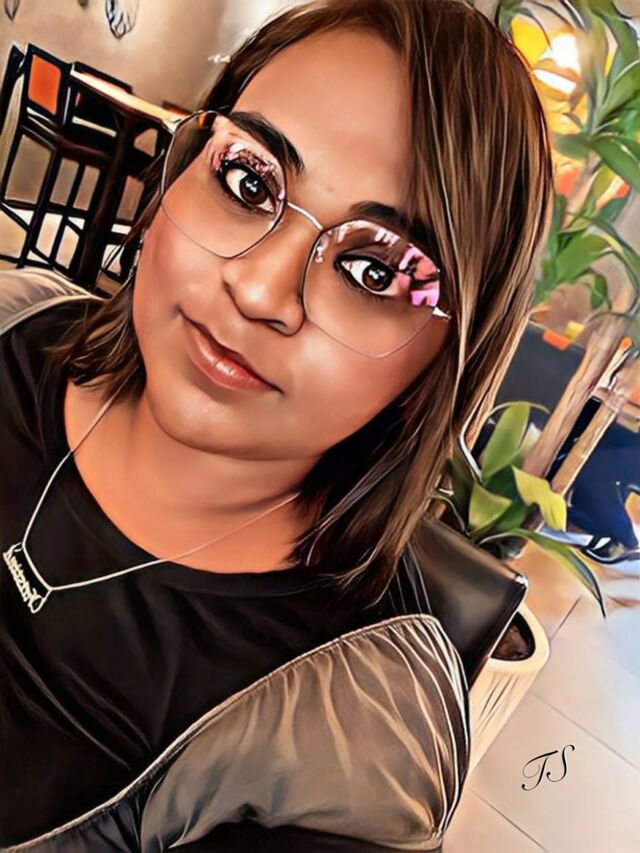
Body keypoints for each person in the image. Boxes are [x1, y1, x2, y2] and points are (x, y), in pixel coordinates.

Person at [0, 0, 553, 849]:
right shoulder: (15, 318)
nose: (259, 290)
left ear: (450, 356)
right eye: (249, 181)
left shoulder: (352, 743)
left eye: (374, 271)